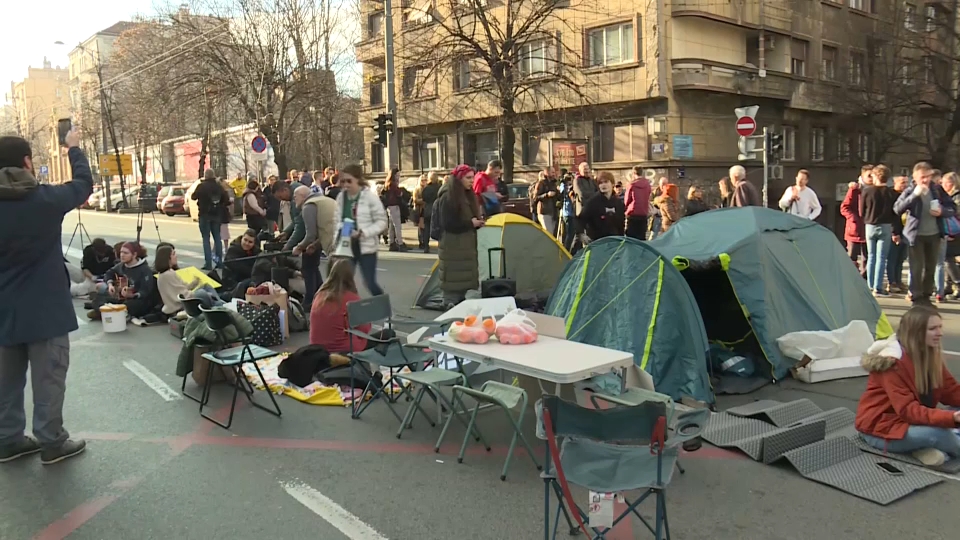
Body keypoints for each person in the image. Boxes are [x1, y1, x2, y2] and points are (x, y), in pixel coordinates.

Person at [0, 130, 89, 464]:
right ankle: (51, 442)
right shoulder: (46, 200)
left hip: (3, 312)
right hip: (45, 311)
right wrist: (74, 148)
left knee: (5, 382)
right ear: (26, 162)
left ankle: (8, 440)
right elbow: (83, 184)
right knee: (48, 379)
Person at [856, 305, 960, 466]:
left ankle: (920, 448)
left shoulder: (930, 354)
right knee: (940, 434)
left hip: (912, 423)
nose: (940, 333)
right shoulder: (892, 363)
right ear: (915, 333)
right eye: (933, 328)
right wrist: (951, 418)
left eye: (940, 327)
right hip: (882, 430)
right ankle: (929, 444)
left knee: (953, 415)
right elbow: (908, 411)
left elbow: (952, 392)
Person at [895, 162, 956, 305]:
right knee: (916, 268)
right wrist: (914, 195)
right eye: (922, 177)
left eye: (928, 177)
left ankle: (926, 295)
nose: (925, 180)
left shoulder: (937, 190)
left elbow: (952, 207)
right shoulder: (911, 190)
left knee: (931, 267)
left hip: (934, 234)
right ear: (915, 177)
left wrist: (942, 211)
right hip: (916, 235)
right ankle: (916, 296)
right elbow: (897, 208)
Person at [309, 259, 391, 353]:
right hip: (344, 349)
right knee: (388, 334)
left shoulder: (319, 295)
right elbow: (364, 330)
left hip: (318, 349)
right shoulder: (351, 298)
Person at [333, 164, 387, 296]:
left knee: (369, 282)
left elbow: (382, 221)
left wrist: (363, 233)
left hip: (365, 245)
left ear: (358, 180)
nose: (345, 184)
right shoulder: (341, 197)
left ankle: (383, 307)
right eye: (343, 181)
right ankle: (349, 310)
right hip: (346, 244)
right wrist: (337, 238)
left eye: (349, 181)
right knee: (344, 282)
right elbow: (336, 220)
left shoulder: (369, 197)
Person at [438, 167, 484, 307]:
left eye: (472, 177)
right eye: (468, 178)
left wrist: (477, 222)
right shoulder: (448, 196)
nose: (472, 181)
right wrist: (470, 223)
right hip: (453, 246)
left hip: (465, 247)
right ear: (459, 179)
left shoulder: (468, 195)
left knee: (463, 286)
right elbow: (448, 223)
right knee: (453, 287)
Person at [295, 184, 338, 307]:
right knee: (342, 278)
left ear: (303, 196)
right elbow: (327, 227)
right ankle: (324, 301)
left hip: (335, 246)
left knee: (337, 279)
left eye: (295, 197)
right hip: (346, 241)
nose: (294, 200)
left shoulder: (309, 206)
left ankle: (329, 309)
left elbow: (310, 234)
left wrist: (299, 247)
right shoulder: (327, 200)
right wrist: (315, 245)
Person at [154, 245, 223, 317]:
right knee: (202, 293)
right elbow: (182, 295)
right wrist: (205, 294)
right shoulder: (167, 275)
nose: (176, 256)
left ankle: (220, 304)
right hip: (180, 306)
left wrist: (194, 283)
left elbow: (182, 287)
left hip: (182, 302)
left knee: (205, 286)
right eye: (173, 254)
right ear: (167, 258)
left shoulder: (168, 272)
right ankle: (221, 305)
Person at [861, 165, 898, 296]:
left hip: (870, 225)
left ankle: (869, 286)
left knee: (871, 256)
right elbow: (895, 213)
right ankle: (878, 287)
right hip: (886, 225)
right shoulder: (891, 193)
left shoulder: (866, 191)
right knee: (881, 258)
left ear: (875, 176)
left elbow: (861, 210)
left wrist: (866, 218)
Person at [191, 168, 228, 270]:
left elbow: (193, 197)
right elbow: (226, 199)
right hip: (216, 215)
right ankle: (219, 262)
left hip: (204, 215)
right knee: (217, 238)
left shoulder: (201, 186)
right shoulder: (219, 186)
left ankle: (208, 263)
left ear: (205, 176)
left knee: (206, 239)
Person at [842, 166, 871, 278]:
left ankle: (864, 278)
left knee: (867, 256)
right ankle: (850, 277)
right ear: (862, 176)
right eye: (869, 176)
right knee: (851, 256)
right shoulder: (855, 189)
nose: (871, 178)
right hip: (854, 229)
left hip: (868, 227)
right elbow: (844, 207)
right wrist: (853, 219)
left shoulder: (873, 189)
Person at [580, 171, 625, 241]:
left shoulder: (618, 203)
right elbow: (580, 218)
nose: (603, 185)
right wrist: (582, 234)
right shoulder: (592, 201)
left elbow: (621, 224)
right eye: (601, 183)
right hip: (596, 242)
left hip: (614, 242)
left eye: (606, 182)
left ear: (612, 184)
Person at [887, 176, 910, 294]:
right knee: (892, 258)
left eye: (906, 182)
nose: (905, 185)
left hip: (906, 231)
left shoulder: (907, 195)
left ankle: (899, 280)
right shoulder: (891, 196)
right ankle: (892, 282)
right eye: (902, 182)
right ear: (895, 182)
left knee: (901, 259)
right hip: (895, 231)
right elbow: (892, 216)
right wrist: (894, 232)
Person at [941, 172, 960, 300]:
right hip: (953, 230)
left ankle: (957, 285)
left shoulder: (956, 197)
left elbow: (955, 214)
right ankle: (949, 285)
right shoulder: (950, 196)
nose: (942, 185)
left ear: (951, 184)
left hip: (955, 231)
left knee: (948, 258)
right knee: (948, 257)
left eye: (944, 182)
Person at [381, 168, 408, 252]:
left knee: (392, 226)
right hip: (394, 206)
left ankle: (392, 243)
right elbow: (399, 193)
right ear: (394, 175)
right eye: (397, 175)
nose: (398, 176)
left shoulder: (387, 184)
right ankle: (400, 243)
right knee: (397, 225)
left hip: (389, 206)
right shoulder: (393, 184)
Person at [623, 166, 651, 240]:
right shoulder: (647, 185)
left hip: (632, 214)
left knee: (631, 238)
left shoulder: (631, 185)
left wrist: (625, 209)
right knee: (641, 237)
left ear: (634, 173)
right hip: (643, 214)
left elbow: (626, 200)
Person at [419, 171, 442, 253]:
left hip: (428, 209)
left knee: (427, 229)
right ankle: (440, 245)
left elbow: (423, 198)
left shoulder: (426, 189)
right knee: (440, 227)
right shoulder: (439, 187)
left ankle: (426, 246)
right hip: (438, 209)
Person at [533, 170, 559, 234]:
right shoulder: (541, 183)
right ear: (547, 173)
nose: (554, 174)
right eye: (552, 172)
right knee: (548, 233)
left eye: (554, 172)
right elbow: (535, 198)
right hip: (544, 211)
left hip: (553, 212)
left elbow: (557, 197)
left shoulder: (554, 183)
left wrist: (559, 192)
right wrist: (547, 195)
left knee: (552, 234)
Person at [219, 177, 235, 247]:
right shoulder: (223, 192)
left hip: (216, 214)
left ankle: (216, 249)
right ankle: (225, 247)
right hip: (222, 214)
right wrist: (230, 201)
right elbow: (225, 201)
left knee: (218, 233)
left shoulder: (215, 191)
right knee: (224, 233)